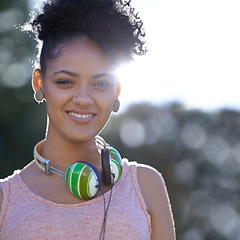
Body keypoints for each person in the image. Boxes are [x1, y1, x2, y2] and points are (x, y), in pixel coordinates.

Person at [0, 0, 175, 239]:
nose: (83, 99)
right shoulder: (4, 200)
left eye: (100, 84)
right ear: (40, 83)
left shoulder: (146, 185)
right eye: (65, 82)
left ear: (116, 91)